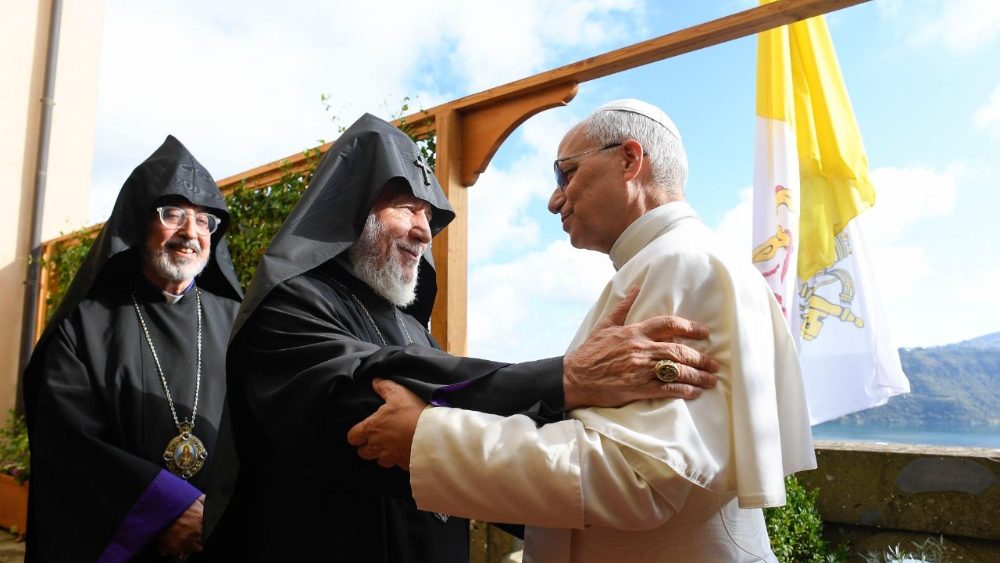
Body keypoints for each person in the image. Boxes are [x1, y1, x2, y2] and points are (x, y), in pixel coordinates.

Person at [224, 113, 721, 562]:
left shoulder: (410, 327)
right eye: (407, 208)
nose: (424, 232)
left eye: (428, 215)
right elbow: (368, 409)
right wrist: (566, 379)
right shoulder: (290, 305)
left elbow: (467, 420)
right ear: (349, 212)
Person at [348, 100, 818, 562]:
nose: (554, 200)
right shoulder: (669, 262)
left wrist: (427, 439)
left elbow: (636, 477)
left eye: (565, 174)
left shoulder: (682, 265)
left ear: (629, 160)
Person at [22, 136, 243, 562]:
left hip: (220, 536)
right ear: (141, 223)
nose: (190, 233)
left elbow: (261, 430)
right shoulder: (84, 325)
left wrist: (216, 513)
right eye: (173, 214)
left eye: (204, 221)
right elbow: (69, 442)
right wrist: (166, 512)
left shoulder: (238, 322)